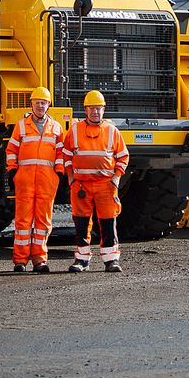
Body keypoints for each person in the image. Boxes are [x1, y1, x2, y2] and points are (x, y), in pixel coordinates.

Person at [62, 90, 129, 273]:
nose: (95, 112)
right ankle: (81, 260)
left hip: (105, 185)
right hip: (81, 185)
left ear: (103, 110)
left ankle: (111, 260)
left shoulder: (112, 131)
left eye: (98, 108)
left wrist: (116, 178)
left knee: (108, 223)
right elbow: (66, 155)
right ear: (85, 110)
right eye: (92, 108)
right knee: (81, 223)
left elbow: (123, 157)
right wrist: (71, 177)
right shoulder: (74, 130)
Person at [5, 86, 65, 273]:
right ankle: (20, 261)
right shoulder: (21, 126)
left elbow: (61, 153)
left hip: (47, 181)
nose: (40, 106)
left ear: (49, 105)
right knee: (23, 221)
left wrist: (59, 172)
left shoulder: (56, 128)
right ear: (31, 104)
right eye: (37, 102)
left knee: (43, 221)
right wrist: (13, 171)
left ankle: (40, 260)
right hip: (25, 179)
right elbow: (11, 150)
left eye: (43, 103)